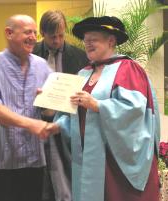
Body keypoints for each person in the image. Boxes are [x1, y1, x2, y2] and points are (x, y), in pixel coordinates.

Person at [47, 16, 161, 201]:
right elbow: (73, 114)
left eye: (93, 39)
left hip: (115, 160)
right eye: (85, 40)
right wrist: (57, 124)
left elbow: (135, 110)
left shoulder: (127, 68)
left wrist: (97, 105)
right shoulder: (83, 73)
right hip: (88, 157)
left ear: (111, 41)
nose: (87, 44)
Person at [0, 14, 52, 201]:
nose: (34, 37)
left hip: (34, 160)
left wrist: (50, 105)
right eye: (28, 32)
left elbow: (49, 110)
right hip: (0, 161)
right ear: (9, 33)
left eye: (35, 32)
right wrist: (31, 124)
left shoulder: (43, 66)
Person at [33, 10, 88, 201]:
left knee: (67, 175)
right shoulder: (31, 53)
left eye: (61, 35)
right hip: (38, 123)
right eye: (52, 36)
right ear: (42, 33)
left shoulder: (80, 56)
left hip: (68, 124)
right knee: (41, 178)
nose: (57, 40)